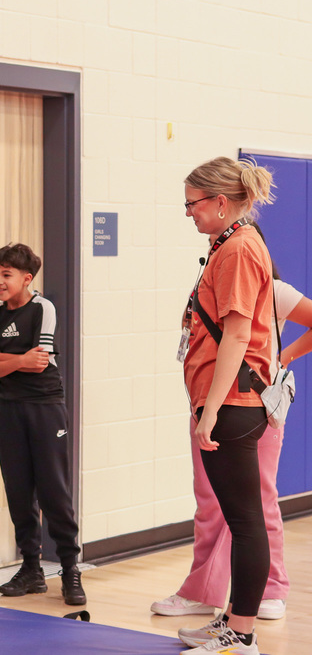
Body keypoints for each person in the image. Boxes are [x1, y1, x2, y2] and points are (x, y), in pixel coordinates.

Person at [153, 222, 312, 623]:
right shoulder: (214, 281)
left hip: (251, 406)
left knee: (260, 501)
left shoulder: (273, 289)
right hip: (209, 405)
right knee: (209, 503)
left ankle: (272, 588)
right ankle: (203, 590)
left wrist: (286, 356)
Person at [175, 157, 275, 655]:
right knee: (242, 518)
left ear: (219, 202)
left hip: (233, 401)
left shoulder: (237, 249)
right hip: (229, 398)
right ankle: (234, 621)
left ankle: (243, 634)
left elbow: (236, 332)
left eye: (192, 204)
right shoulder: (230, 245)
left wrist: (210, 409)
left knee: (244, 521)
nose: (189, 213)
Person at [0, 243, 85, 606]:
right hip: (9, 408)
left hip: (45, 407)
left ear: (27, 279)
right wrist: (17, 358)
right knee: (19, 490)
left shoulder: (43, 308)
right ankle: (31, 568)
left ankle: (70, 568)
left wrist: (7, 358)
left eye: (6, 275)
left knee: (54, 489)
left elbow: (38, 362)